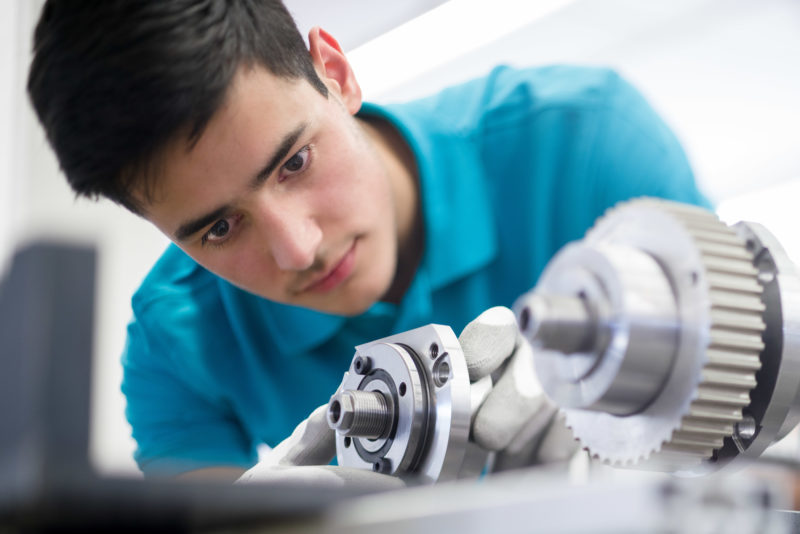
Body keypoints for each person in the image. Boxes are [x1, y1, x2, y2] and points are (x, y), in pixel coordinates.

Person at [27, 0, 710, 482]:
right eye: (219, 227)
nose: (299, 249)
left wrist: (643, 463)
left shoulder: (588, 144)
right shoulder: (173, 347)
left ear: (335, 71)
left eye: (295, 162)